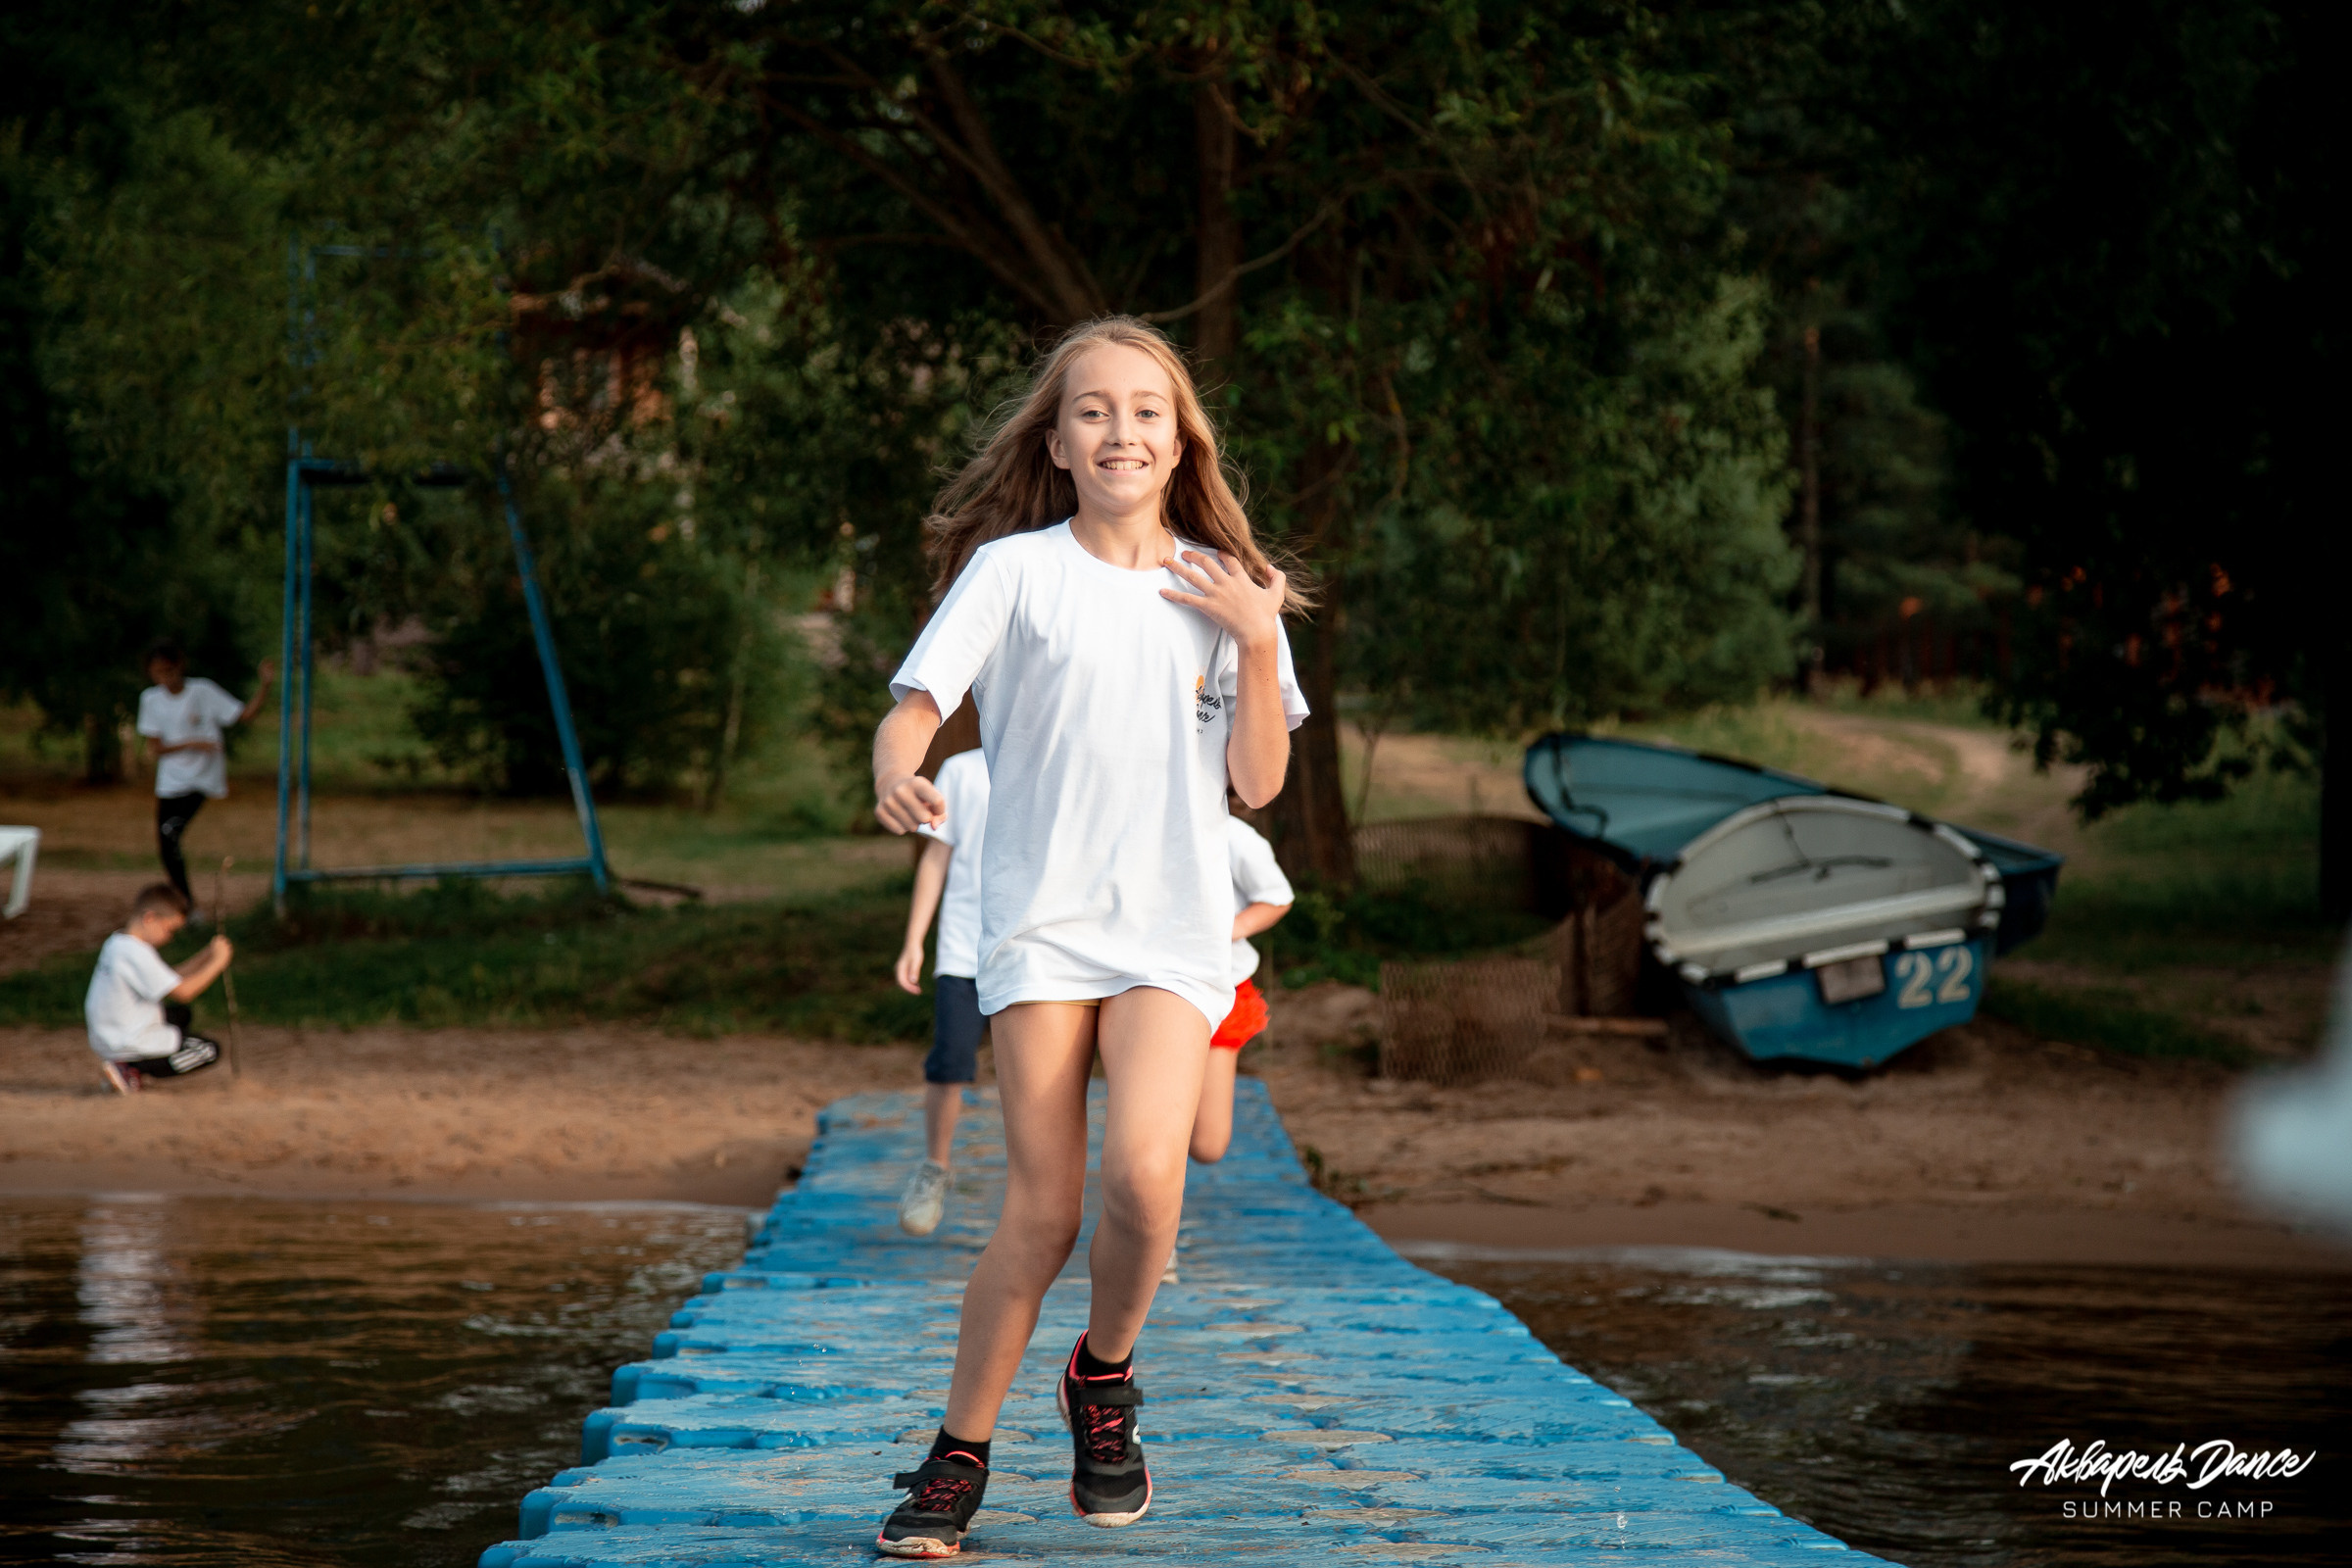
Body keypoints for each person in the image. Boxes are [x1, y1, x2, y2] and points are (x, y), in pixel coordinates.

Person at [866, 317, 1306, 1558]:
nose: (1123, 430)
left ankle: (1102, 1373)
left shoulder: (1229, 589)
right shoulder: (1013, 572)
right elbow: (915, 709)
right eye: (1095, 410)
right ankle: (958, 1456)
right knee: (1044, 1210)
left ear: (1182, 442)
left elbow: (1258, 784)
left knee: (1147, 1181)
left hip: (1173, 928)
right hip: (1042, 928)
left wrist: (1256, 635)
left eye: (1147, 410)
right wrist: (895, 769)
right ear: (1057, 443)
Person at [893, 743, 992, 1237]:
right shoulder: (962, 771)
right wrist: (914, 940)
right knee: (950, 1060)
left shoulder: (1065, 758)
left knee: (1039, 1076)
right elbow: (936, 860)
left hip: (1037, 955)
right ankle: (935, 1168)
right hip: (964, 949)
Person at [1185, 798, 1295, 1168]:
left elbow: (1276, 898)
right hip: (1147, 987)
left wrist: (1230, 929)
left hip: (1221, 989)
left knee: (1208, 1144)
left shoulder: (1234, 837)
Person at [136, 642, 271, 919]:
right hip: (170, 782)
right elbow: (155, 747)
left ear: (180, 666)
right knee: (166, 843)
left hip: (201, 780)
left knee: (170, 833)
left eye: (169, 670)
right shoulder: (151, 699)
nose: (165, 678)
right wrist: (193, 743)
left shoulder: (203, 691)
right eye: (158, 673)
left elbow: (244, 714)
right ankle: (184, 904)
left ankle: (185, 906)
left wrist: (265, 685)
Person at [84, 883, 232, 1096]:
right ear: (150, 918)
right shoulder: (136, 953)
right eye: (169, 929)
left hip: (110, 1032)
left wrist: (206, 955)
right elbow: (183, 993)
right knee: (207, 1050)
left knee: (181, 1015)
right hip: (123, 1038)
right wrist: (218, 963)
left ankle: (127, 1064)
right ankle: (131, 1068)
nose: (170, 937)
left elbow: (169, 978)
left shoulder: (118, 942)